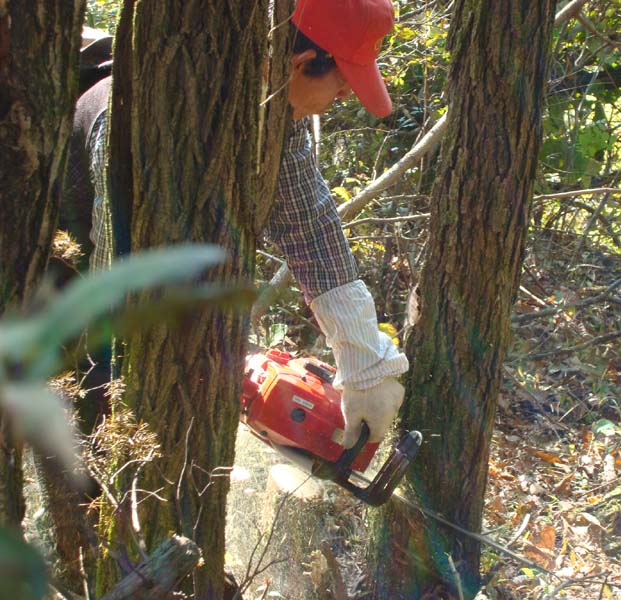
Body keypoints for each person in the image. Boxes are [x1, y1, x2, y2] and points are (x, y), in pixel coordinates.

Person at [62, 0, 407, 448]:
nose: (341, 100)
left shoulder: (277, 112)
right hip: (78, 258)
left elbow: (311, 226)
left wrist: (365, 360)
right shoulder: (142, 116)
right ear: (299, 63)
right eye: (341, 86)